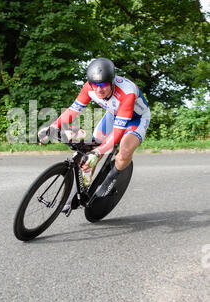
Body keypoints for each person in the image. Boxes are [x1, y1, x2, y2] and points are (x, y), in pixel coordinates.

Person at [38, 57, 150, 214]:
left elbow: (118, 132)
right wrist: (52, 127)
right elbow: (72, 111)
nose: (98, 89)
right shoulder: (88, 87)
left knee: (123, 150)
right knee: (89, 150)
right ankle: (82, 188)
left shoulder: (127, 92)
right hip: (113, 114)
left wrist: (99, 151)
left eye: (103, 84)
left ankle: (111, 179)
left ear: (112, 81)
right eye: (94, 85)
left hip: (136, 119)